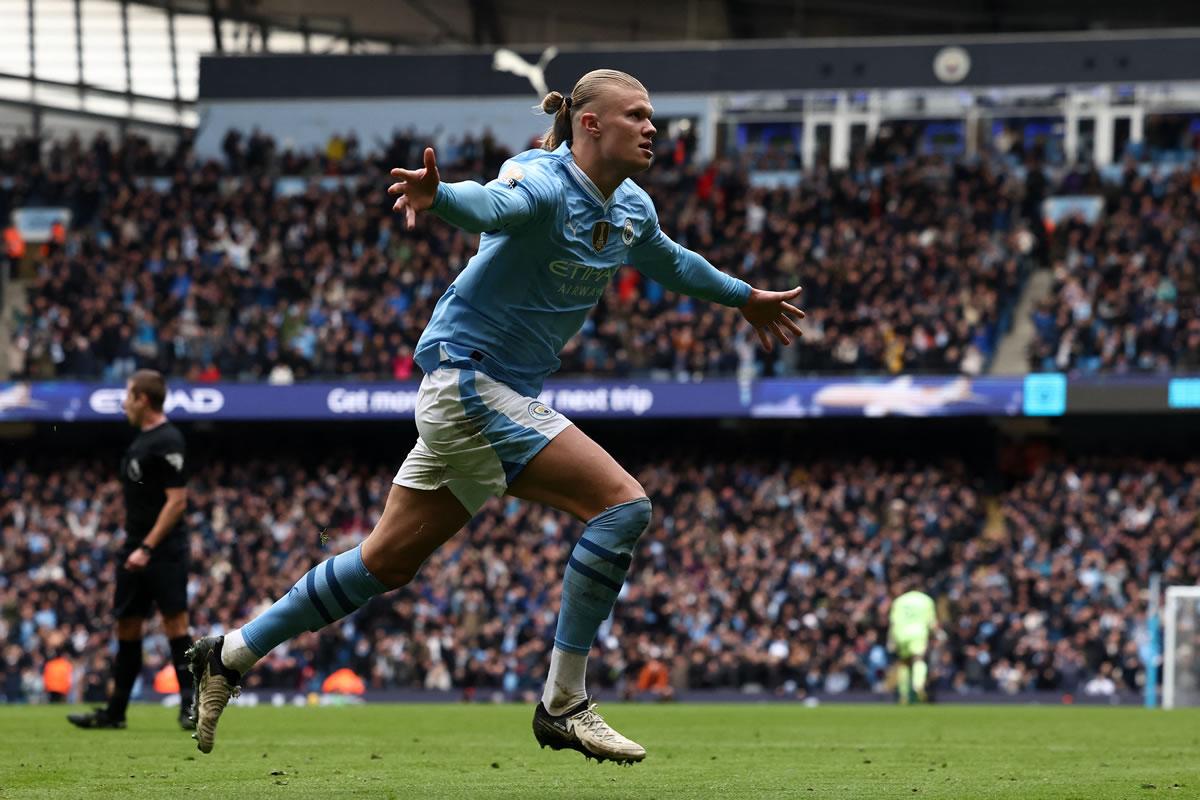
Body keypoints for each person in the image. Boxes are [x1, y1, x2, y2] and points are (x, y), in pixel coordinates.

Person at [187, 69, 805, 762]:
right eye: (636, 114)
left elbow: (671, 261)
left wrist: (743, 296)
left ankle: (229, 652)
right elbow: (490, 206)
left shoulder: (631, 206)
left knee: (384, 562)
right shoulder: (543, 180)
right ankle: (564, 702)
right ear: (590, 124)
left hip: (486, 396)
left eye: (652, 115)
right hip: (468, 383)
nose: (652, 126)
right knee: (623, 507)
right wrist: (439, 195)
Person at [69, 369, 194, 730]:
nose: (123, 403)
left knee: (175, 623)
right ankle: (116, 712)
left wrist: (147, 547)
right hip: (135, 546)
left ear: (143, 399)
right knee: (127, 624)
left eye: (127, 396)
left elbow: (177, 502)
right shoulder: (140, 441)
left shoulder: (169, 439)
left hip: (163, 549)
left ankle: (189, 706)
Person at [887, 580, 943, 704]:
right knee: (919, 659)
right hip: (918, 632)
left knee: (904, 663)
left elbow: (893, 622)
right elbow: (932, 622)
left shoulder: (899, 601)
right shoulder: (926, 600)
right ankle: (918, 685)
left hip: (900, 633)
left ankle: (904, 694)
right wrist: (939, 635)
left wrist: (890, 640)